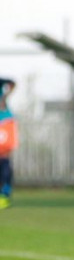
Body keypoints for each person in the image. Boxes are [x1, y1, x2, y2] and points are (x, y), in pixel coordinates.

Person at [0, 77, 17, 209]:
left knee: (6, 172)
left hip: (4, 152)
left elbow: (12, 83)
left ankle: (4, 197)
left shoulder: (7, 116)